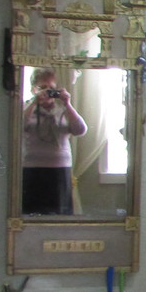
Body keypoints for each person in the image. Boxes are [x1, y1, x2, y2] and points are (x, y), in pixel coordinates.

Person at [21, 68, 85, 214]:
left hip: (60, 170)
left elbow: (80, 130)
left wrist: (67, 104)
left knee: (60, 213)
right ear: (34, 89)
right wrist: (34, 102)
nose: (47, 91)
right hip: (32, 169)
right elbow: (17, 126)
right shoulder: (26, 108)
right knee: (32, 212)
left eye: (51, 88)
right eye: (43, 87)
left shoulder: (62, 110)